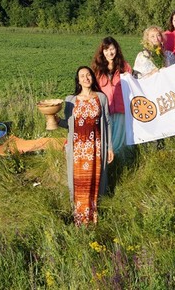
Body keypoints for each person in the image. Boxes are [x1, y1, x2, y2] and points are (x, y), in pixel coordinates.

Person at [61, 66, 114, 225]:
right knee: (79, 183)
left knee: (95, 180)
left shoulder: (101, 98)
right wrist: (55, 121)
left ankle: (94, 218)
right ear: (78, 80)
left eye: (88, 75)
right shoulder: (70, 100)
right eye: (82, 76)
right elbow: (68, 124)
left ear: (92, 77)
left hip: (96, 148)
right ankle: (80, 219)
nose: (86, 78)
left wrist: (109, 147)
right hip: (78, 150)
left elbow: (108, 123)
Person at [91, 37, 132, 155]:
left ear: (116, 49)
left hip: (121, 109)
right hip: (104, 109)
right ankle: (106, 159)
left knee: (119, 140)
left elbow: (132, 84)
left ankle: (119, 160)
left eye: (112, 49)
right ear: (102, 52)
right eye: (106, 50)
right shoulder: (97, 68)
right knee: (106, 137)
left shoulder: (125, 66)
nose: (110, 53)